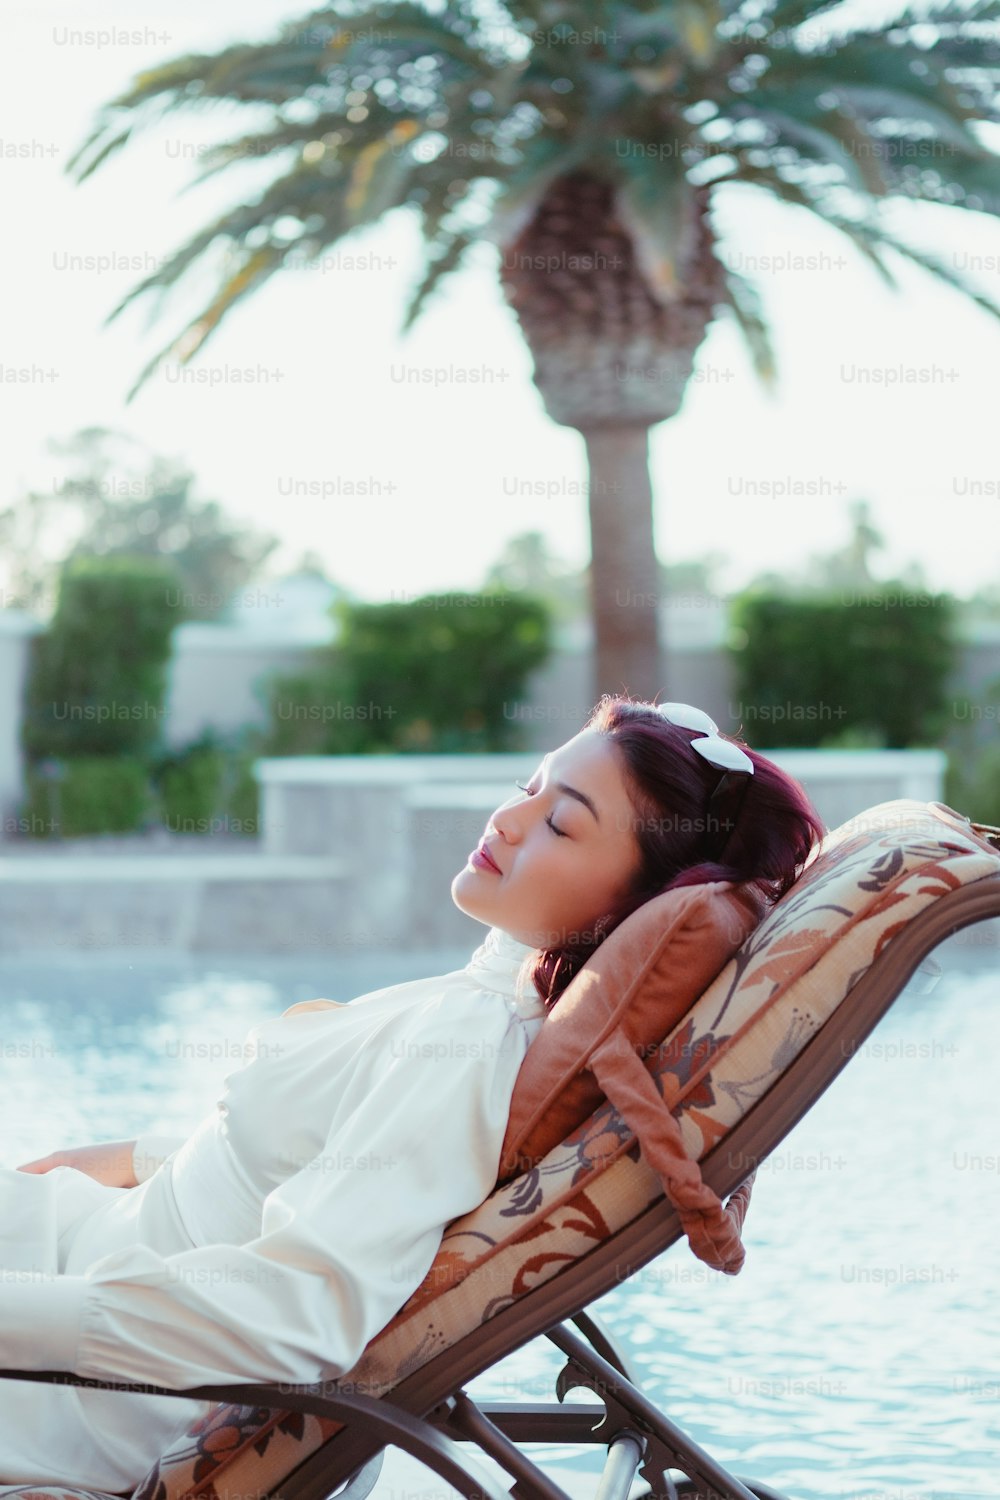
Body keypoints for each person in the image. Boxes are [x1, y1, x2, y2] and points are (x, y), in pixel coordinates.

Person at [0, 695, 823, 1490]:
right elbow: (319, 1151)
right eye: (528, 789)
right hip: (82, 1255)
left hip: (73, 1390)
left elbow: (298, 1316)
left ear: (632, 905)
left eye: (563, 822)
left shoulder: (469, 1040)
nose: (507, 821)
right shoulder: (497, 1003)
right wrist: (137, 1160)